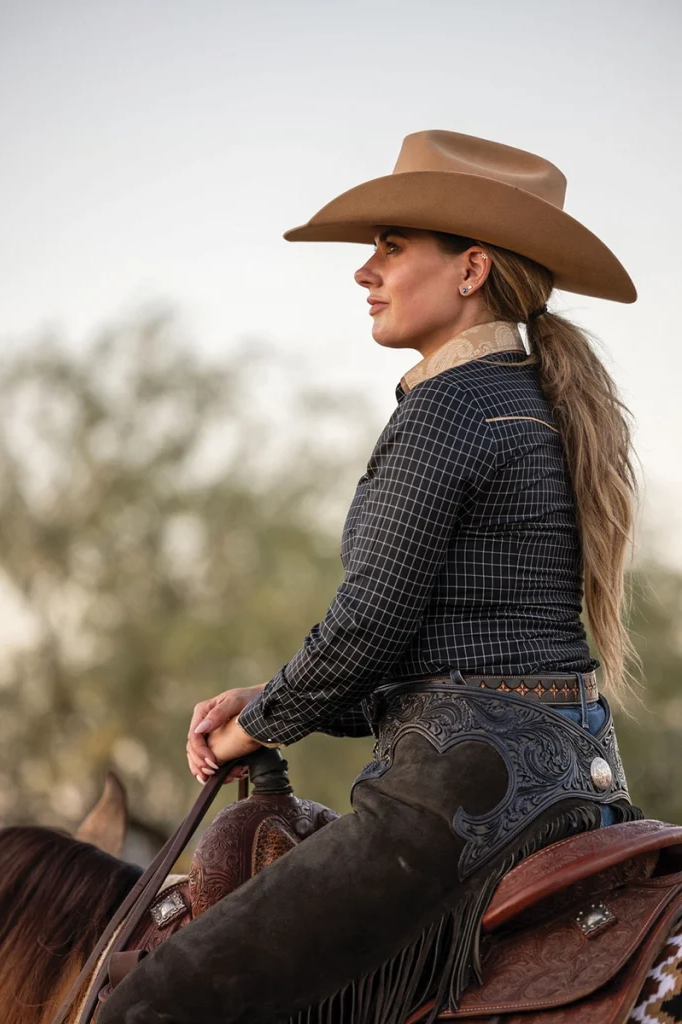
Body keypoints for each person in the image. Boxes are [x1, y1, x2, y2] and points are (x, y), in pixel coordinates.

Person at [99, 130, 643, 1024]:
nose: (365, 270)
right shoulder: (529, 402)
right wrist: (272, 696)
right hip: (571, 783)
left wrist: (259, 724)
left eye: (391, 246)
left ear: (471, 270)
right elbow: (449, 655)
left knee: (146, 1009)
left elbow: (365, 629)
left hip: (458, 802)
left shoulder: (446, 412)